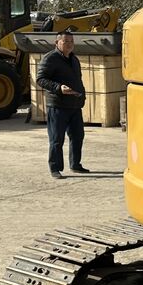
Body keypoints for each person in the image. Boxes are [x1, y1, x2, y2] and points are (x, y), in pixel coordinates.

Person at [37, 31, 88, 179]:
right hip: (58, 105)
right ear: (57, 43)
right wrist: (58, 88)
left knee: (78, 136)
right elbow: (40, 79)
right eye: (66, 41)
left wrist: (82, 96)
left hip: (74, 105)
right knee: (56, 139)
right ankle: (55, 168)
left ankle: (76, 164)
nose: (69, 44)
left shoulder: (74, 59)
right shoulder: (50, 59)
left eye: (71, 41)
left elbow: (78, 80)